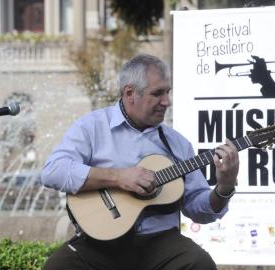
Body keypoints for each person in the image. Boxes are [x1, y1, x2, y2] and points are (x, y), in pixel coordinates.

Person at [41, 54, 239, 270]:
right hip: (99, 244)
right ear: (129, 93)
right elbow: (52, 171)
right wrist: (119, 177)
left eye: (168, 92)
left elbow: (198, 210)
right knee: (58, 266)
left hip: (161, 243)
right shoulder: (92, 127)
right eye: (157, 93)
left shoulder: (178, 144)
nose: (167, 101)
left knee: (200, 264)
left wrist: (224, 187)